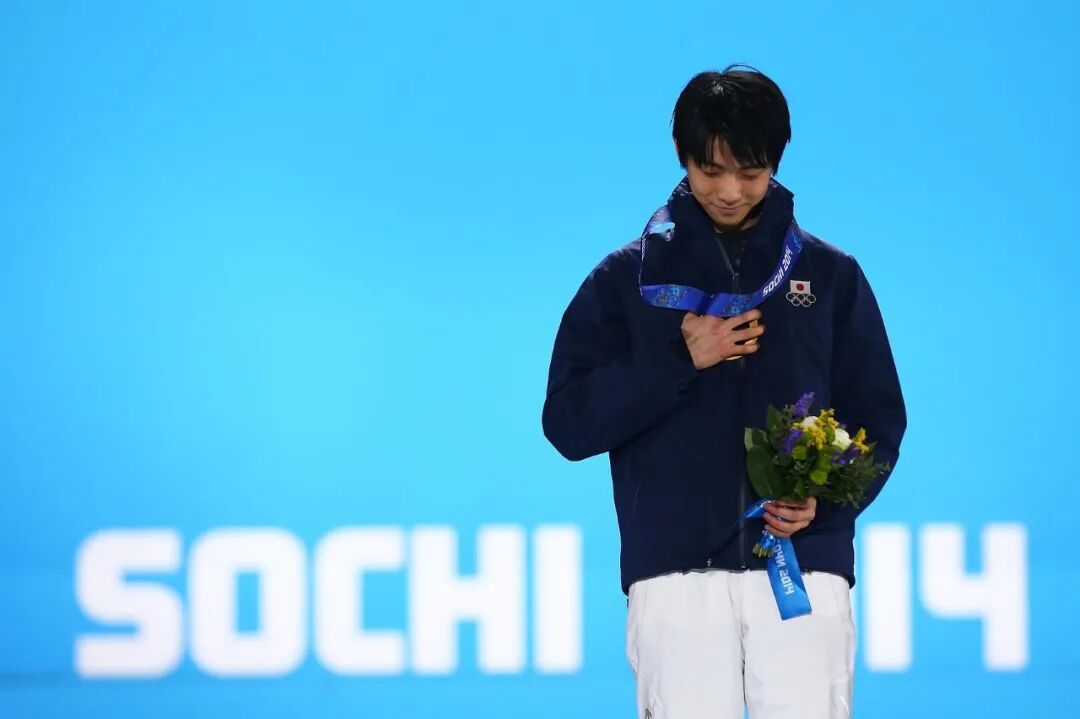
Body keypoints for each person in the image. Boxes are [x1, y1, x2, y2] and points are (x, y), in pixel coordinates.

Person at [541, 66, 907, 719]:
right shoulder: (627, 281)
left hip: (802, 569)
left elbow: (879, 420)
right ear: (681, 156)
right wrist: (679, 358)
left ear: (777, 162)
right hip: (677, 580)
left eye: (751, 171)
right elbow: (568, 421)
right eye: (711, 171)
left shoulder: (830, 276)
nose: (731, 191)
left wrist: (823, 504)